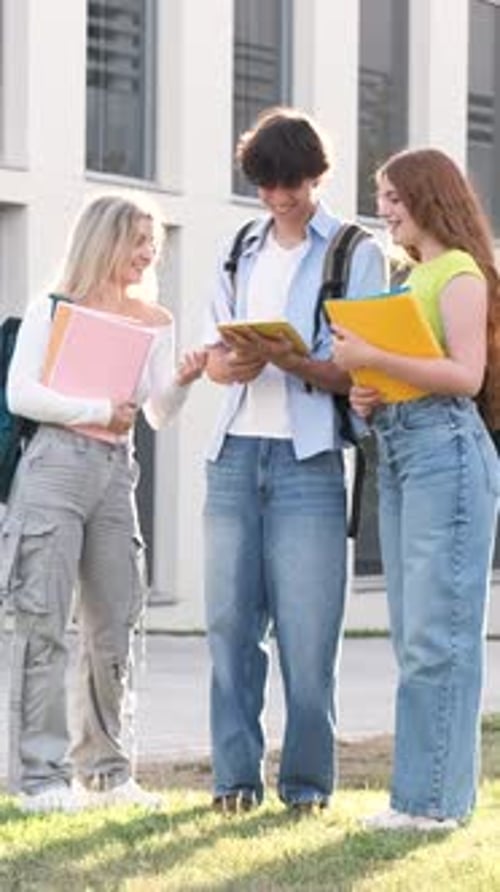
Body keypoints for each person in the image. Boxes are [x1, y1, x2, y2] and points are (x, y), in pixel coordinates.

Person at [202, 107, 386, 813]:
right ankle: (233, 782)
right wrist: (231, 365)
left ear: (317, 177)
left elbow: (360, 369)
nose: (280, 197)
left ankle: (307, 788)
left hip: (309, 461)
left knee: (308, 640)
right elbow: (215, 358)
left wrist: (292, 360)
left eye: (293, 184)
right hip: (233, 455)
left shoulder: (354, 252)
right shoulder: (238, 248)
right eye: (267, 185)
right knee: (229, 630)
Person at [0, 194, 206, 814]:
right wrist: (95, 409)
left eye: (154, 245)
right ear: (103, 241)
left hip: (116, 471)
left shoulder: (155, 320)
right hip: (54, 467)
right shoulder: (54, 308)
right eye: (138, 241)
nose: (148, 254)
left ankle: (107, 774)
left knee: (113, 625)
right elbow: (20, 394)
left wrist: (184, 379)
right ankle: (40, 778)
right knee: (42, 622)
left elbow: (157, 412)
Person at [333, 147, 500, 831]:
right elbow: (411, 370)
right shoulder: (410, 276)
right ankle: (415, 799)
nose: (384, 209)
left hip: (446, 454)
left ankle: (435, 804)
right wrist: (369, 390)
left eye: (394, 196)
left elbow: (464, 376)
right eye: (380, 196)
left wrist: (372, 357)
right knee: (414, 636)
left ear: (431, 197)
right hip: (401, 450)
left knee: (439, 638)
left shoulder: (459, 271)